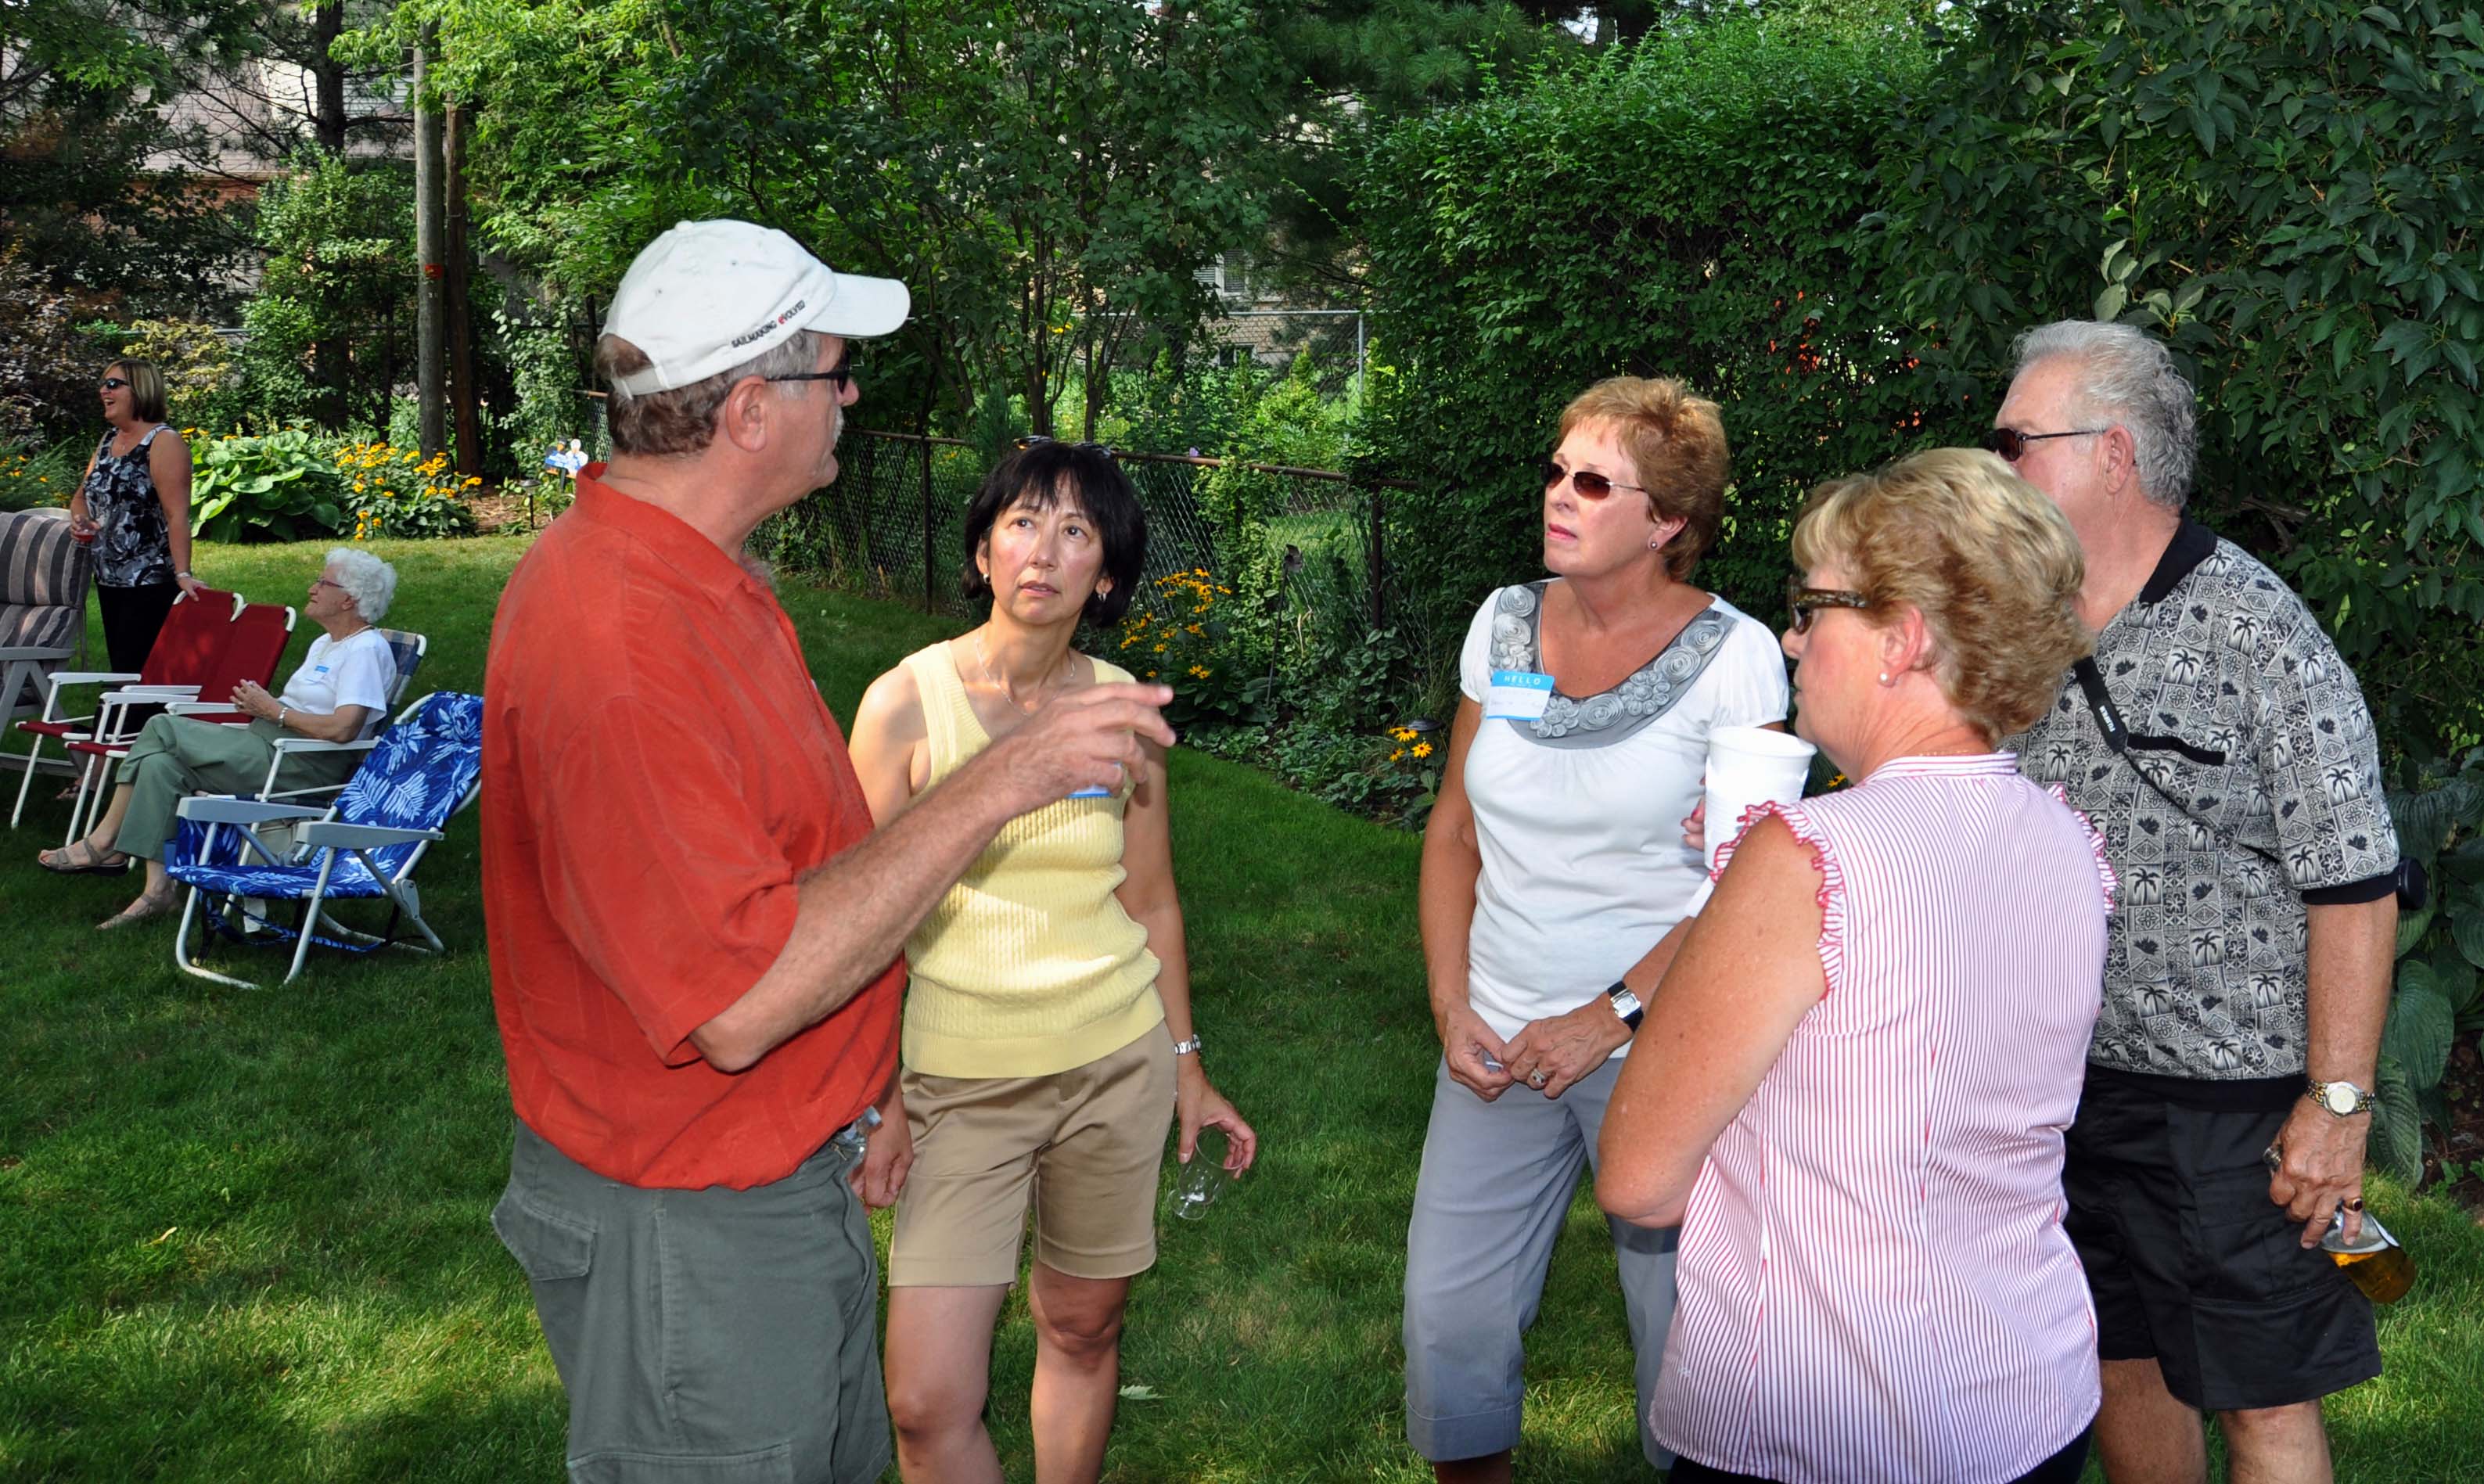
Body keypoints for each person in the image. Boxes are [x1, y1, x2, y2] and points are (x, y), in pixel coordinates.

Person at [479, 220, 1174, 1484]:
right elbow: (737, 1001)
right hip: (695, 1232)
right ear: (751, 408)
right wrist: (1004, 780)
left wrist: (869, 1091)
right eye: (834, 372)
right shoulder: (623, 641)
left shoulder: (702, 580)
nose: (852, 395)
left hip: (774, 1189)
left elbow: (787, 875)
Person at [1598, 447, 2110, 1484]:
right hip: (2028, 1396)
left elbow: (1639, 1180)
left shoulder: (1809, 856)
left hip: (1830, 1418)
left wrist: (1731, 887)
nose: (1790, 635)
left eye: (1813, 604)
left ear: (1901, 639)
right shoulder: (2066, 840)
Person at [1992, 321, 2400, 1484]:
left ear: (2110, 454)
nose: (1996, 466)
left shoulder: (2257, 630)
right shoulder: (2012, 622)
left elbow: (2354, 887)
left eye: (2016, 441)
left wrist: (2334, 1106)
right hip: (2059, 1091)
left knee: (2259, 1400)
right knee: (2116, 1367)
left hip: (2229, 1114)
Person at [847, 440, 1258, 1484]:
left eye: (1075, 531)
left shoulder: (1123, 709)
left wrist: (1186, 1059)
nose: (1043, 550)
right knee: (925, 1399)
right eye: (1022, 522)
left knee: (1080, 1327)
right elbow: (853, 920)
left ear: (1105, 574)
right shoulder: (904, 703)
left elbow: (1150, 897)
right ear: (982, 550)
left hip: (1112, 1063)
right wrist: (879, 1096)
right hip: (956, 1079)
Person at [1404, 376, 1788, 1482]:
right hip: (1493, 1034)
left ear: (1665, 522)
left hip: (1666, 1044)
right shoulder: (1503, 623)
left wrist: (1610, 1015)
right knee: (1448, 1325)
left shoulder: (1735, 659)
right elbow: (1453, 831)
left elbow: (1748, 882)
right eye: (1553, 469)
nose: (1555, 497)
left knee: (1687, 1339)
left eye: (1589, 481)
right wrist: (1448, 1002)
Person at [34, 548, 399, 928]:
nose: (312, 588)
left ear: (348, 598)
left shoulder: (366, 650)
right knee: (160, 765)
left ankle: (105, 842)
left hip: (300, 766)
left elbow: (345, 728)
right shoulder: (326, 644)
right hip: (269, 745)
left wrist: (274, 711)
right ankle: (158, 891)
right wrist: (265, 708)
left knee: (162, 726)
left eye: (323, 582)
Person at [71, 359, 207, 671]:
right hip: (109, 578)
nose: (104, 390)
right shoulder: (107, 442)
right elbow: (81, 498)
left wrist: (183, 574)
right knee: (123, 667)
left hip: (149, 580)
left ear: (141, 390)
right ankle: (125, 720)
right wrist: (81, 522)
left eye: (114, 384)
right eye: (103, 384)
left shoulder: (163, 441)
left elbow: (177, 515)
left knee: (141, 673)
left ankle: (140, 721)